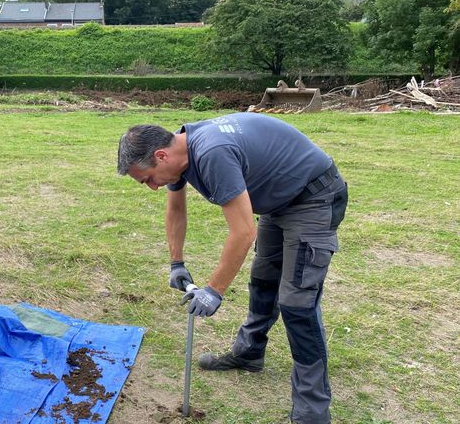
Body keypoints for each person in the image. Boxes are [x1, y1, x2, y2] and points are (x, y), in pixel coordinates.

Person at [117, 112, 347, 424]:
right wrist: (176, 263)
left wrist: (214, 291)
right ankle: (250, 353)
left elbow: (242, 232)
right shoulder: (178, 148)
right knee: (264, 279)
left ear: (161, 156)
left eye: (147, 179)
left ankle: (312, 408)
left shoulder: (211, 154)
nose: (152, 187)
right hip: (279, 201)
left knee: (297, 303)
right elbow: (176, 208)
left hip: (313, 197)